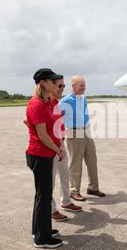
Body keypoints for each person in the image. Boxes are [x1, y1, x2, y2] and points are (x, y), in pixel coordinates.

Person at [23, 78, 83, 222]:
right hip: (50, 148)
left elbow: (58, 125)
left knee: (64, 175)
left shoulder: (54, 103)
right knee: (50, 183)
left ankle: (66, 202)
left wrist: (61, 145)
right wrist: (46, 139)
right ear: (49, 86)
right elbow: (26, 120)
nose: (62, 88)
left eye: (63, 86)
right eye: (59, 86)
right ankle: (51, 209)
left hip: (59, 145)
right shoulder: (39, 104)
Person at [26, 68, 65, 249]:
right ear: (43, 83)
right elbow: (42, 135)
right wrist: (58, 149)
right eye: (52, 81)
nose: (56, 84)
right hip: (40, 154)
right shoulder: (37, 104)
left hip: (45, 154)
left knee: (42, 195)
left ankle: (41, 230)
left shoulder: (47, 102)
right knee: (44, 195)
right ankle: (42, 238)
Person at [59, 75, 105, 202]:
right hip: (74, 134)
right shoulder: (65, 101)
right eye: (81, 85)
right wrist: (65, 132)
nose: (84, 88)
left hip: (86, 132)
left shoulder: (84, 98)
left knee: (92, 160)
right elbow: (57, 118)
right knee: (76, 163)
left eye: (84, 85)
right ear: (73, 86)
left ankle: (93, 188)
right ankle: (74, 191)